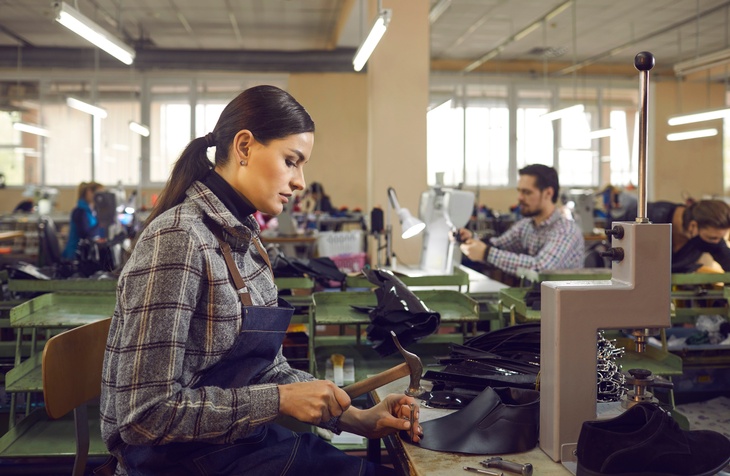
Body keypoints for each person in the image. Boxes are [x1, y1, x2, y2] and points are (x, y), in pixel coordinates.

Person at [100, 85, 420, 476]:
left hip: (237, 446)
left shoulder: (245, 239)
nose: (301, 181)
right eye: (291, 161)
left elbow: (265, 368)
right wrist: (278, 401)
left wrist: (356, 418)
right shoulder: (179, 241)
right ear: (245, 147)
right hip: (183, 463)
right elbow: (141, 417)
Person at [457, 164, 585, 276]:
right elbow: (499, 245)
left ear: (548, 193)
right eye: (519, 191)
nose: (520, 198)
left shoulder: (566, 231)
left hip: (564, 303)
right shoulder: (526, 226)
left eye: (527, 192)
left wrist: (486, 253)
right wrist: (471, 239)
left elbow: (541, 269)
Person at [611, 199, 730, 273]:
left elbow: (727, 260)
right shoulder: (652, 215)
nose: (716, 242)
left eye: (719, 238)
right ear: (693, 226)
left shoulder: (711, 237)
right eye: (712, 238)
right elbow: (612, 231)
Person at [61, 181, 104, 260]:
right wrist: (101, 223)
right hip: (76, 255)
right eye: (99, 194)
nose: (101, 198)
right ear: (89, 192)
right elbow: (86, 234)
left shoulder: (91, 211)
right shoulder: (80, 211)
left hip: (87, 252)